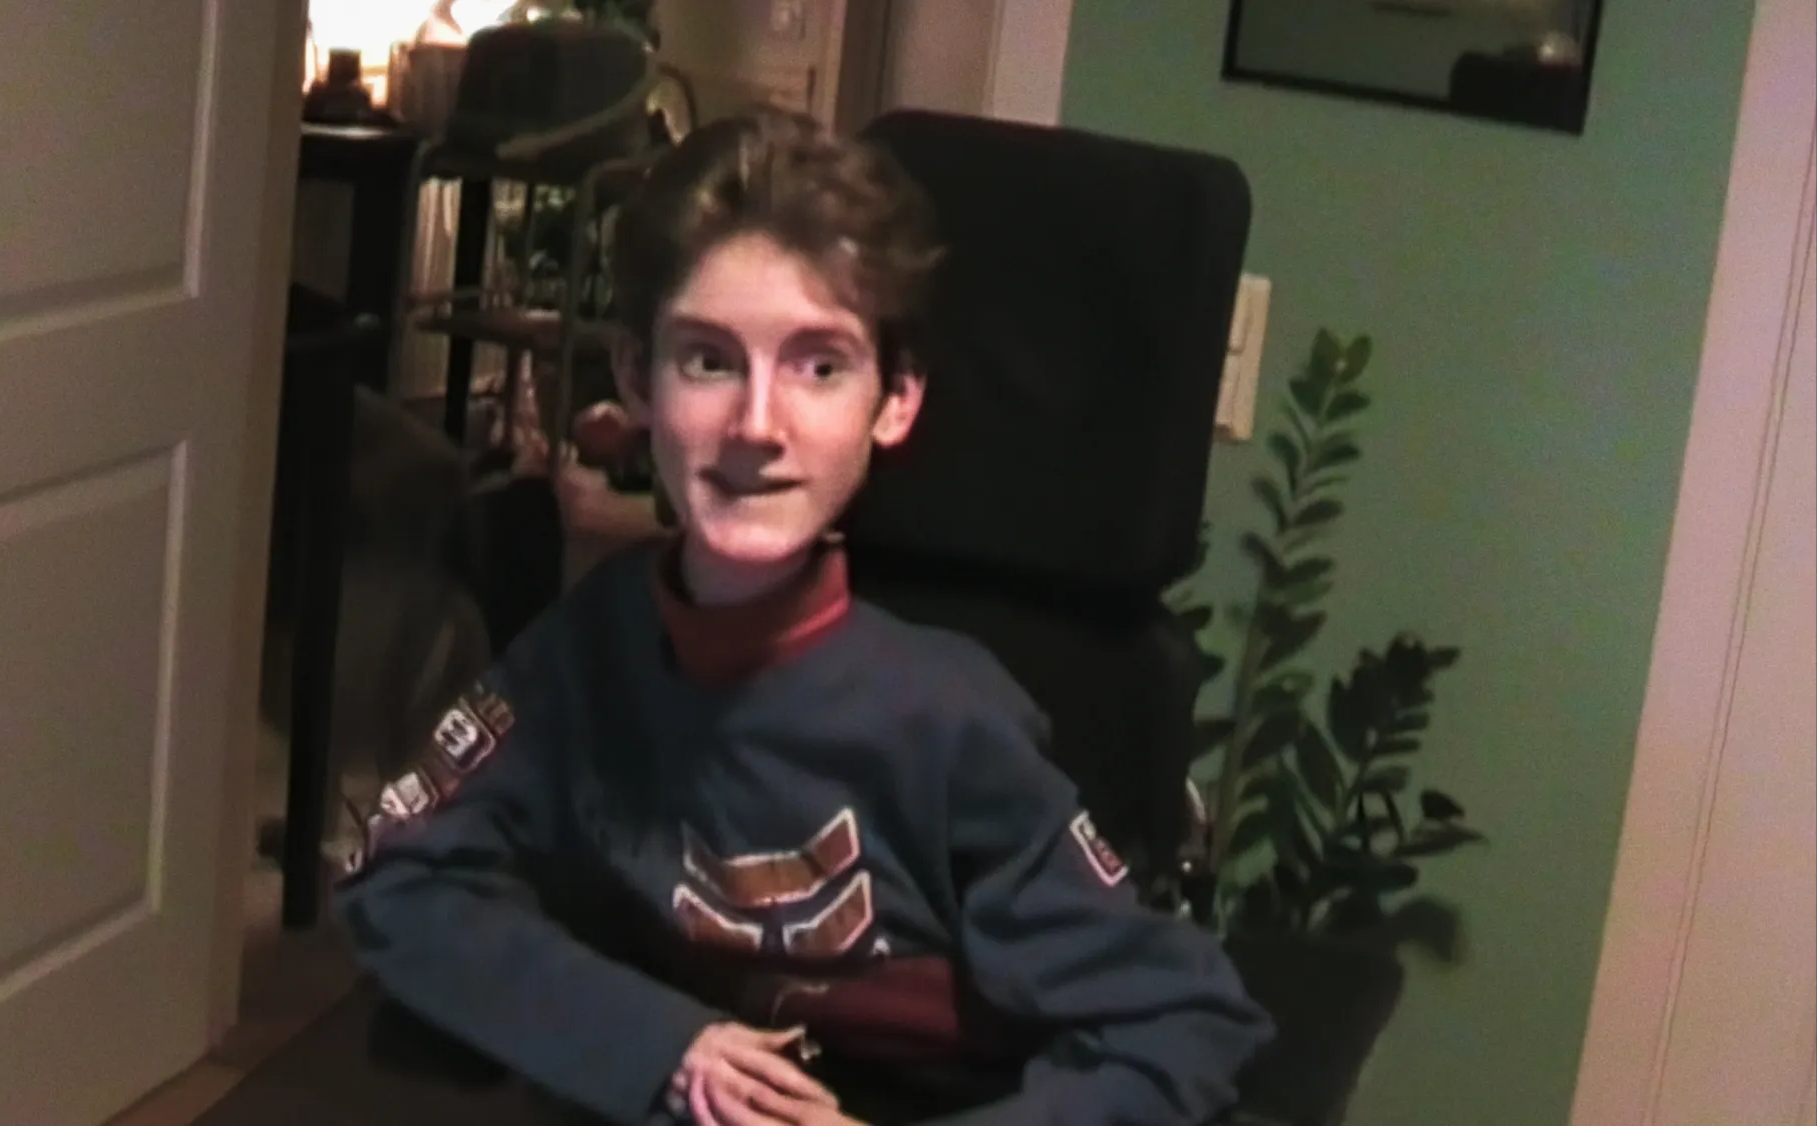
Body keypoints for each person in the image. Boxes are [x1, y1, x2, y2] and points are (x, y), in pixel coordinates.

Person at [334, 108, 1273, 1126]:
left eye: (819, 366)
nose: (757, 425)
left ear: (894, 399)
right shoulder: (589, 648)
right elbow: (400, 870)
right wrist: (657, 1042)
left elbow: (1188, 1019)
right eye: (708, 361)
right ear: (635, 379)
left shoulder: (947, 722)